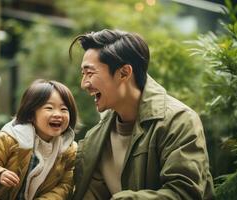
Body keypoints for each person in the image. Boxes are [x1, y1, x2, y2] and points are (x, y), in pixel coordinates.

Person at [69, 29, 214, 200]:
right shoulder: (95, 138)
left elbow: (185, 193)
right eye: (83, 74)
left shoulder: (179, 121)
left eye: (90, 73)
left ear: (124, 73)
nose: (84, 84)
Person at [0, 79, 78, 200]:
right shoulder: (11, 138)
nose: (58, 114)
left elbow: (66, 184)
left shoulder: (68, 150)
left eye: (64, 109)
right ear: (31, 114)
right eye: (49, 108)